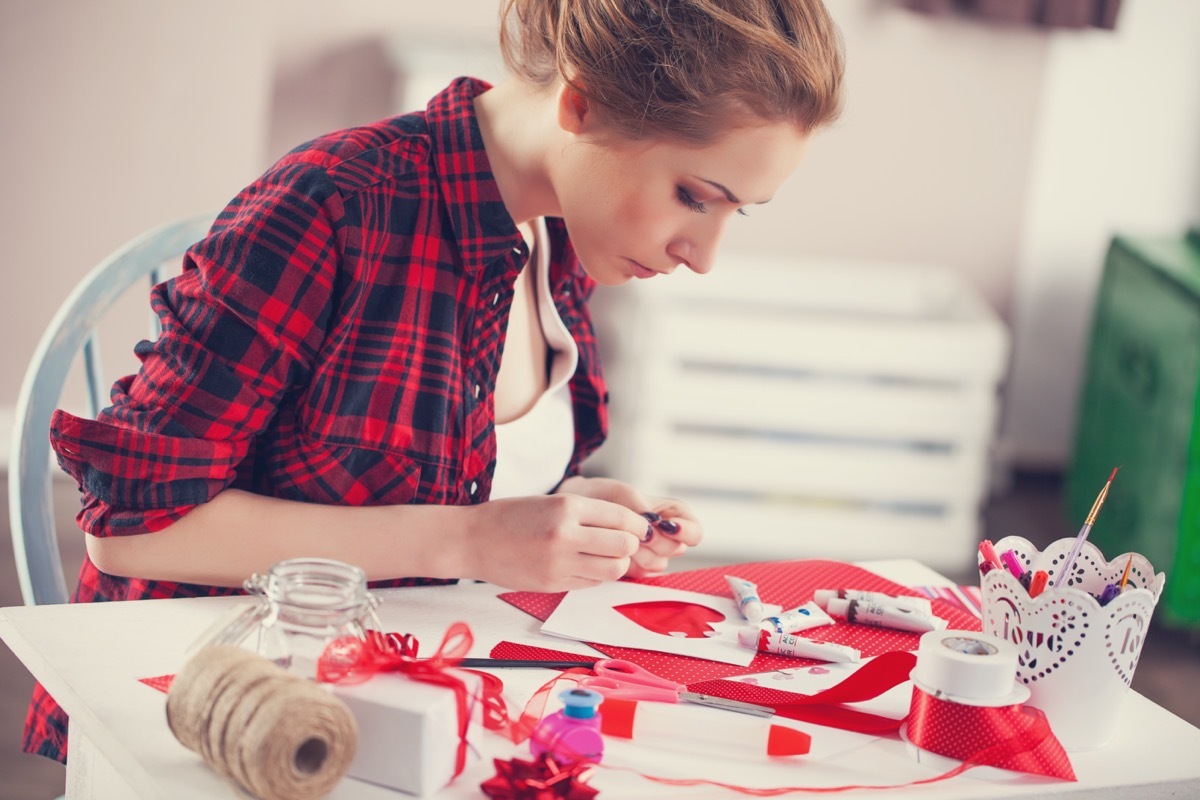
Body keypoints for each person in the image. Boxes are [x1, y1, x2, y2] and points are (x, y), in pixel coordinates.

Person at [26, 0, 844, 764]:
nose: (702, 254)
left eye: (740, 211)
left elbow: (453, 469)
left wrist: (573, 519)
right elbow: (132, 529)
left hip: (404, 704)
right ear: (581, 106)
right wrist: (472, 538)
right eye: (695, 197)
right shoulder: (334, 204)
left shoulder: (562, 231)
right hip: (214, 718)